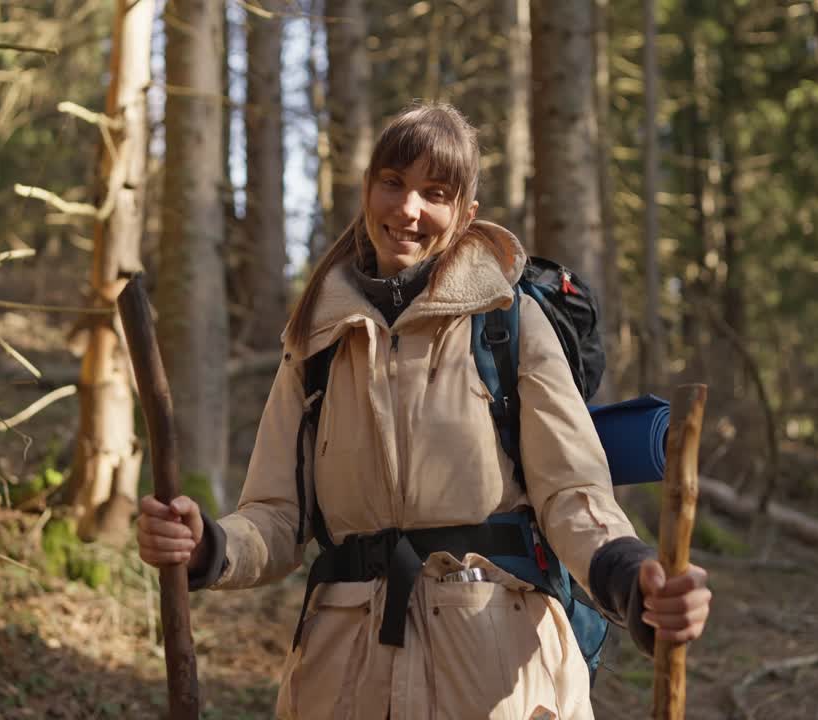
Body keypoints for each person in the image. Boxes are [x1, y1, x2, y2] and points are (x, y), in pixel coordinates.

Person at [137, 102, 711, 719]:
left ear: (466, 214)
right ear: (368, 189)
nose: (408, 209)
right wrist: (208, 544)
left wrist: (633, 579)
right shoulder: (315, 340)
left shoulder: (509, 324)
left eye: (435, 193)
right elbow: (277, 516)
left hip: (494, 679)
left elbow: (573, 494)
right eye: (393, 183)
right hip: (342, 683)